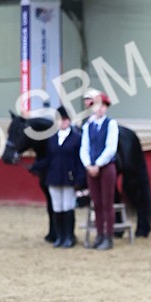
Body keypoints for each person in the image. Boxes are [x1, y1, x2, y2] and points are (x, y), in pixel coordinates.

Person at [80, 89, 119, 250]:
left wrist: (98, 164)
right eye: (98, 105)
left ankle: (108, 236)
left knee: (107, 203)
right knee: (96, 203)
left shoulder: (111, 124)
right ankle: (99, 235)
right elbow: (84, 147)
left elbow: (111, 148)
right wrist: (88, 164)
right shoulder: (88, 126)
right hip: (92, 169)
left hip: (107, 167)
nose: (100, 108)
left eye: (103, 105)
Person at [44, 106, 85, 248]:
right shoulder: (52, 139)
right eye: (60, 120)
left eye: (65, 120)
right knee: (57, 208)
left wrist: (80, 178)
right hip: (54, 177)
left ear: (69, 121)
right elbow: (48, 159)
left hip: (69, 177)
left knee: (68, 207)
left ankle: (69, 236)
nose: (63, 122)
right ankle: (60, 236)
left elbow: (80, 160)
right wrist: (35, 167)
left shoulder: (77, 138)